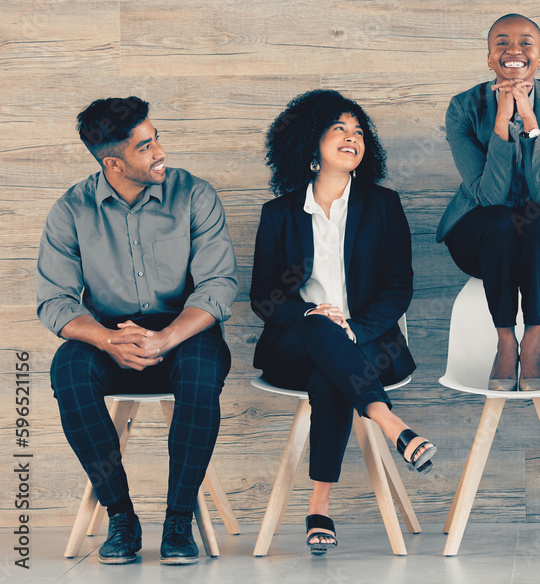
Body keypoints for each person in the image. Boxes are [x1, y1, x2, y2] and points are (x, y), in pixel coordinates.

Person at [37, 97, 238, 565]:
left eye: (156, 138)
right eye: (145, 147)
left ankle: (179, 519)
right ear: (113, 162)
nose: (160, 151)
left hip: (185, 332)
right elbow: (54, 300)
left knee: (202, 373)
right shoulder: (71, 210)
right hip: (110, 336)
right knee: (68, 371)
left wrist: (166, 337)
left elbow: (218, 284)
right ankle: (120, 516)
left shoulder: (195, 195)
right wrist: (107, 339)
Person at [251, 89, 436, 555]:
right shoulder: (279, 215)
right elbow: (264, 297)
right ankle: (391, 424)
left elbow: (399, 286)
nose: (352, 138)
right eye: (340, 129)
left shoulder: (383, 205)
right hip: (296, 340)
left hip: (372, 343)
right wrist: (312, 313)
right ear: (310, 142)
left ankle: (319, 504)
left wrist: (356, 328)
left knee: (329, 371)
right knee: (319, 328)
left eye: (359, 132)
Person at [437, 13, 540, 390]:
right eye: (501, 43)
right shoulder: (462, 107)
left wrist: (530, 119)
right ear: (490, 59)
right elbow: (489, 196)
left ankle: (533, 338)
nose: (513, 50)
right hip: (481, 236)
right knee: (503, 219)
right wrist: (502, 121)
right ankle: (505, 340)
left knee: (537, 217)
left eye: (525, 42)